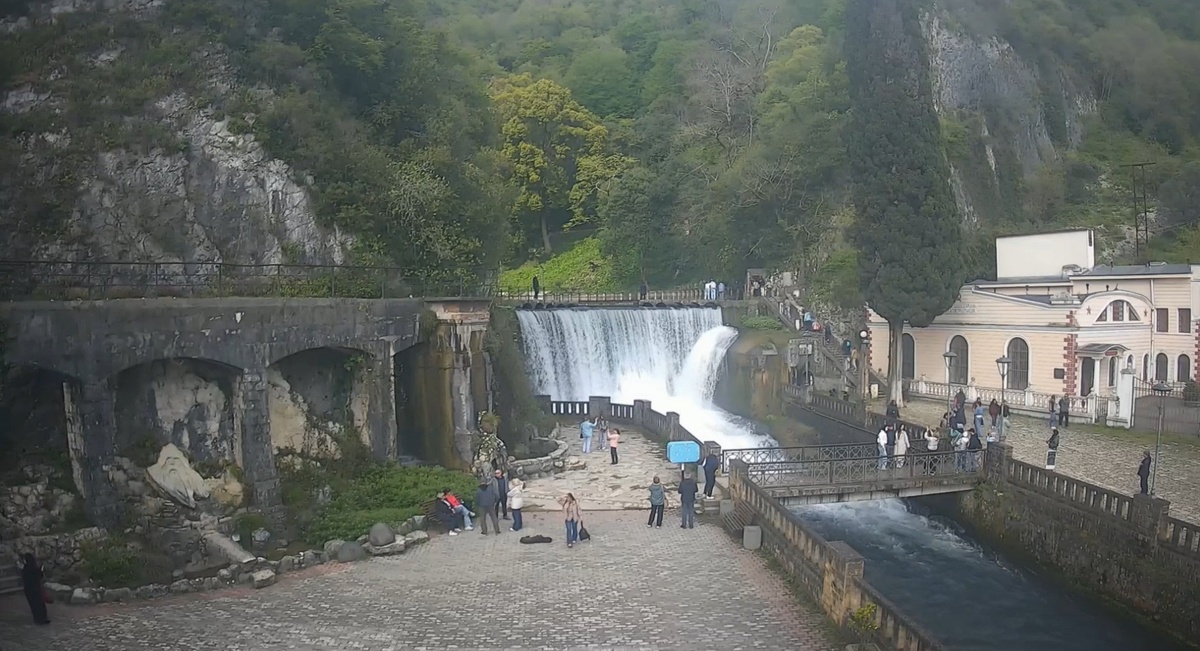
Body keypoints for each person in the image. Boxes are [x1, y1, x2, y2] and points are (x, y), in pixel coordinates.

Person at [21, 553, 49, 625]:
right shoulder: (34, 568)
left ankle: (37, 619)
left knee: (34, 605)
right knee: (40, 604)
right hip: (36, 589)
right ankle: (43, 618)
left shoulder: (25, 569)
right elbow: (40, 576)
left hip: (29, 590)